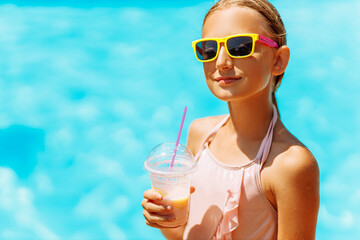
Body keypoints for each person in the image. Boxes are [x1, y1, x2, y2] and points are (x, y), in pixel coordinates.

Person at [142, 0, 320, 239]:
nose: (221, 62)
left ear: (278, 60)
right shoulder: (201, 134)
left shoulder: (290, 165)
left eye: (240, 46)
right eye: (209, 49)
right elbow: (188, 233)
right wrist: (169, 223)